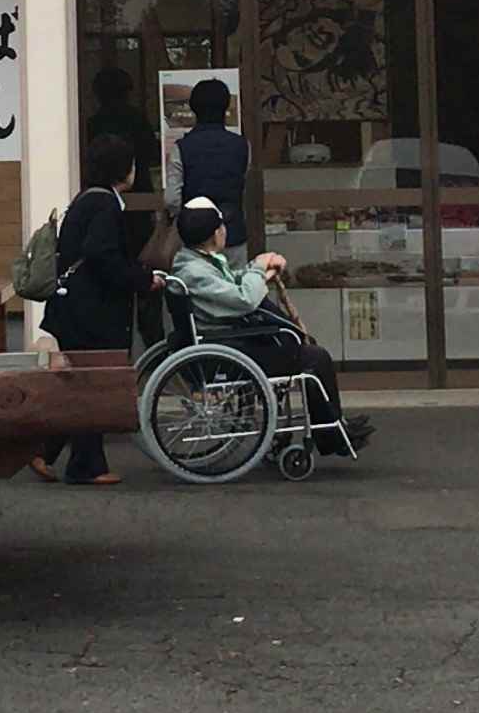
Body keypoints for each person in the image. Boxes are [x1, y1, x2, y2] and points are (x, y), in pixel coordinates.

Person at [162, 199, 373, 454]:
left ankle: (334, 425)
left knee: (309, 351)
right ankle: (331, 434)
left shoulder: (195, 263)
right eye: (222, 227)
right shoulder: (195, 271)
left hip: (226, 343)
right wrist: (260, 268)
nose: (225, 231)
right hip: (226, 350)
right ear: (215, 233)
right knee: (315, 358)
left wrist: (258, 267)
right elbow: (244, 299)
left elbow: (233, 286)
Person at [32, 135, 160, 485]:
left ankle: (45, 450)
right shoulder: (105, 204)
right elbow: (103, 255)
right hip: (89, 310)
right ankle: (86, 466)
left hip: (71, 306)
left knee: (80, 385)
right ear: (123, 169)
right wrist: (141, 279)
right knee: (91, 384)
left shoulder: (86, 200)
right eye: (131, 164)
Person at [167, 79, 251, 258]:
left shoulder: (181, 148)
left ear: (193, 108)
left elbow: (172, 199)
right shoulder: (242, 146)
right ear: (226, 106)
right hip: (233, 234)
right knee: (235, 284)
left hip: (194, 240)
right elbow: (243, 183)